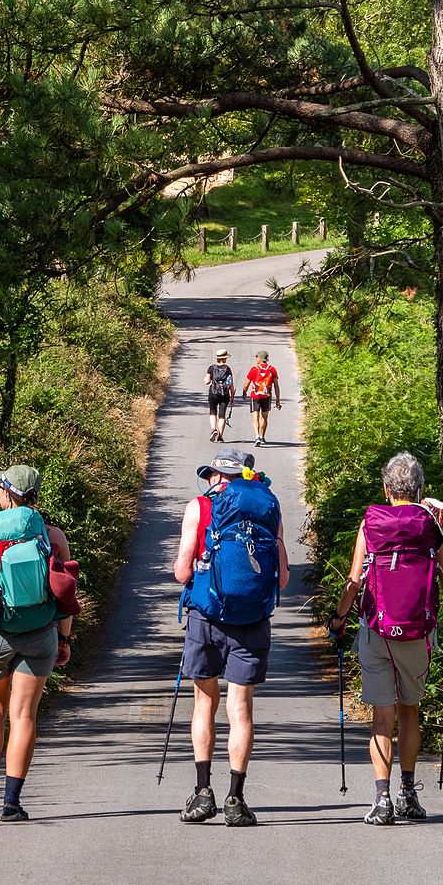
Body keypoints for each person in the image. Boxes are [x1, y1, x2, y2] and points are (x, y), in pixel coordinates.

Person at [328, 451, 443, 826]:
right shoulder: (433, 524)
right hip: (418, 633)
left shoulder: (371, 523)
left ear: (387, 489)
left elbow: (354, 581)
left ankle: (382, 799)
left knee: (381, 715)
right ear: (420, 489)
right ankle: (408, 793)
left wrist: (339, 619)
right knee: (409, 710)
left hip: (377, 629)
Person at [172, 447, 290, 827]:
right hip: (252, 619)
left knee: (204, 703)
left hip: (206, 617)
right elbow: (283, 578)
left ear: (219, 477)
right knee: (240, 709)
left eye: (213, 475)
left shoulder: (199, 508)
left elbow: (180, 572)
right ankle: (235, 799)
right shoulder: (268, 508)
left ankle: (202, 792)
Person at [0, 464, 73, 822]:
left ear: (7, 492)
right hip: (39, 633)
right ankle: (12, 802)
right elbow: (65, 593)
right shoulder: (51, 534)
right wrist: (65, 638)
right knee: (23, 714)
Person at [243, 349, 281, 447]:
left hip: (255, 396)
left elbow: (247, 384)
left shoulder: (254, 369)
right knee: (264, 417)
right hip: (266, 396)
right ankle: (262, 436)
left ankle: (257, 436)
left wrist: (244, 392)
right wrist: (278, 399)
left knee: (255, 416)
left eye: (256, 357)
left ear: (259, 358)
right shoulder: (272, 369)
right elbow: (276, 385)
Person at [204, 348, 234, 442]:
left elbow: (207, 381)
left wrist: (209, 379)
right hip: (224, 394)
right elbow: (231, 384)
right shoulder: (227, 369)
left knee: (213, 412)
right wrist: (232, 395)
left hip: (213, 393)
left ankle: (213, 429)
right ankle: (220, 436)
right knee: (222, 415)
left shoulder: (212, 368)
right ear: (225, 358)